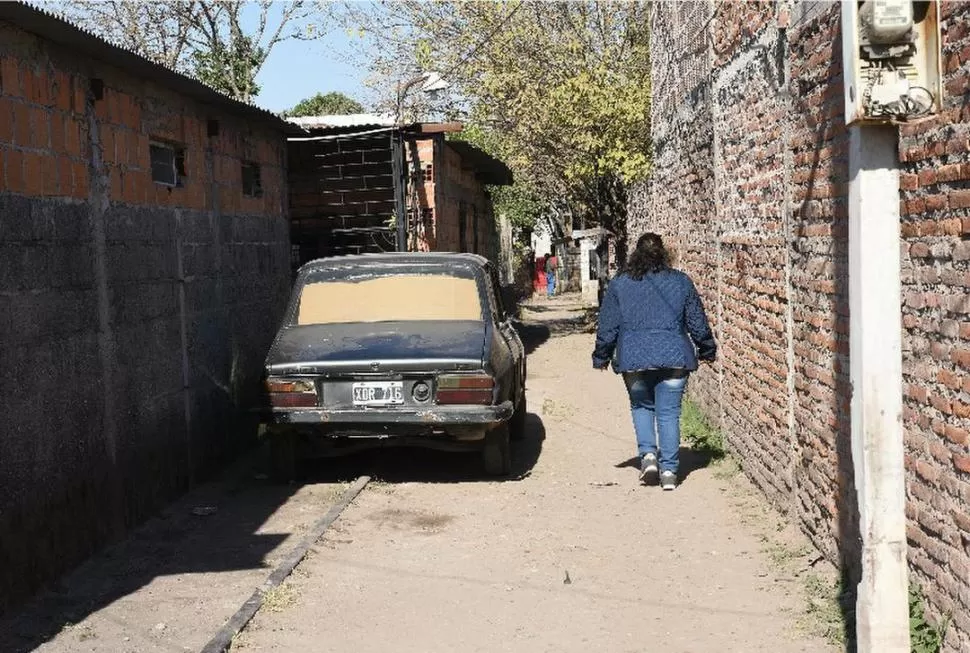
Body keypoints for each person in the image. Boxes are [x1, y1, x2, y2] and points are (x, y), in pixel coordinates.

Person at [591, 232, 716, 490]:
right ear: (664, 254)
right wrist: (707, 349)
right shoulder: (681, 282)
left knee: (641, 406)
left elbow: (608, 326)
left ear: (635, 255)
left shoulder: (620, 284)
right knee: (669, 414)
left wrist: (601, 355)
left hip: (634, 357)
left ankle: (648, 457)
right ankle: (669, 472)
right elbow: (696, 321)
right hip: (674, 357)